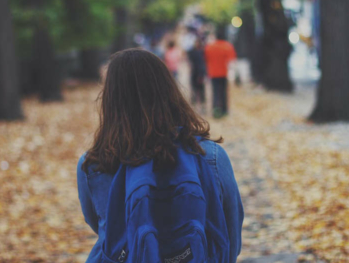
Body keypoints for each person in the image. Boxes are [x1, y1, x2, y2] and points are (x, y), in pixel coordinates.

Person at [77, 49, 243, 263]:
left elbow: (101, 227)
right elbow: (231, 232)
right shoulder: (210, 156)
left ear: (110, 100)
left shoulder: (93, 164)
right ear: (169, 91)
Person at [205, 28, 237, 118]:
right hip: (224, 73)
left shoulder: (210, 47)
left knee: (215, 92)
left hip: (213, 73)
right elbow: (232, 61)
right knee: (223, 92)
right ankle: (224, 110)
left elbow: (206, 58)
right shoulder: (227, 46)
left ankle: (215, 109)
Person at [187, 38, 207, 110]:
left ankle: (201, 105)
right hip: (195, 72)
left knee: (200, 89)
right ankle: (196, 104)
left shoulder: (201, 52)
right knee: (195, 89)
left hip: (199, 73)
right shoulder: (197, 52)